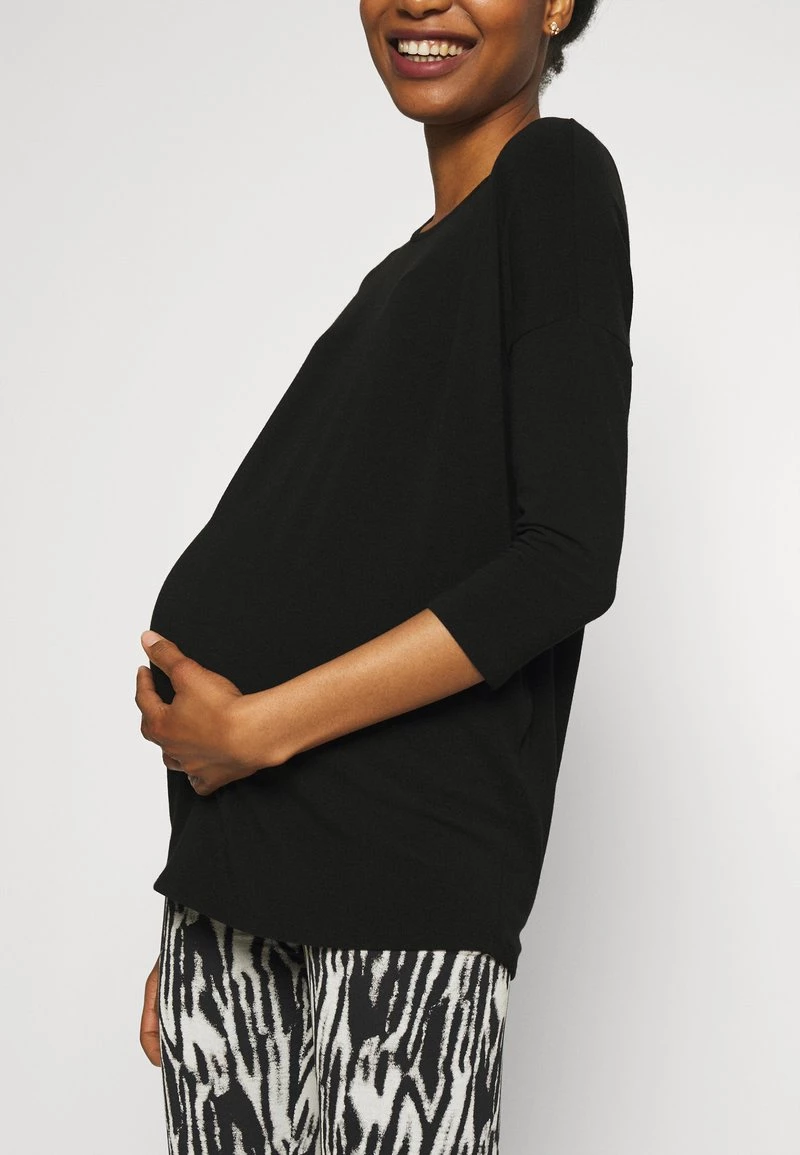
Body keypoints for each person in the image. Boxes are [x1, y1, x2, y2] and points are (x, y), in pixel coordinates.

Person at [136, 1, 633, 1151]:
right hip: (235, 908)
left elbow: (562, 562)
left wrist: (258, 728)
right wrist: (208, 885)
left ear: (555, 4)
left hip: (397, 902)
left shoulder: (551, 179)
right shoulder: (405, 275)